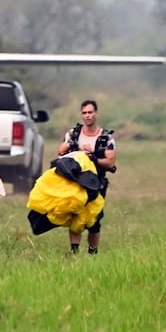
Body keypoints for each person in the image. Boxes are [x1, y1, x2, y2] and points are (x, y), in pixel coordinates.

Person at [57, 99, 116, 254]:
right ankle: (74, 250)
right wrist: (69, 150)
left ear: (96, 113)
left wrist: (93, 157)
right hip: (76, 181)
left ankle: (92, 251)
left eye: (90, 112)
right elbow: (61, 154)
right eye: (84, 113)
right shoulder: (73, 134)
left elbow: (110, 162)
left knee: (94, 218)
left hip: (97, 182)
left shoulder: (105, 137)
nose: (87, 116)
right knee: (75, 215)